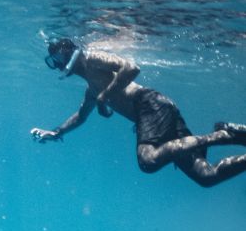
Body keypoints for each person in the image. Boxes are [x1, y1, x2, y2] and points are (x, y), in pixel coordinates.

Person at [31, 38, 246, 188]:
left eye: (57, 57)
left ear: (68, 50)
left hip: (150, 104)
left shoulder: (92, 58)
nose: (58, 65)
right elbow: (80, 116)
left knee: (148, 160)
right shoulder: (91, 91)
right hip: (158, 110)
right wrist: (56, 133)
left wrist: (104, 96)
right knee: (206, 176)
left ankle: (222, 136)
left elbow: (131, 67)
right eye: (53, 62)